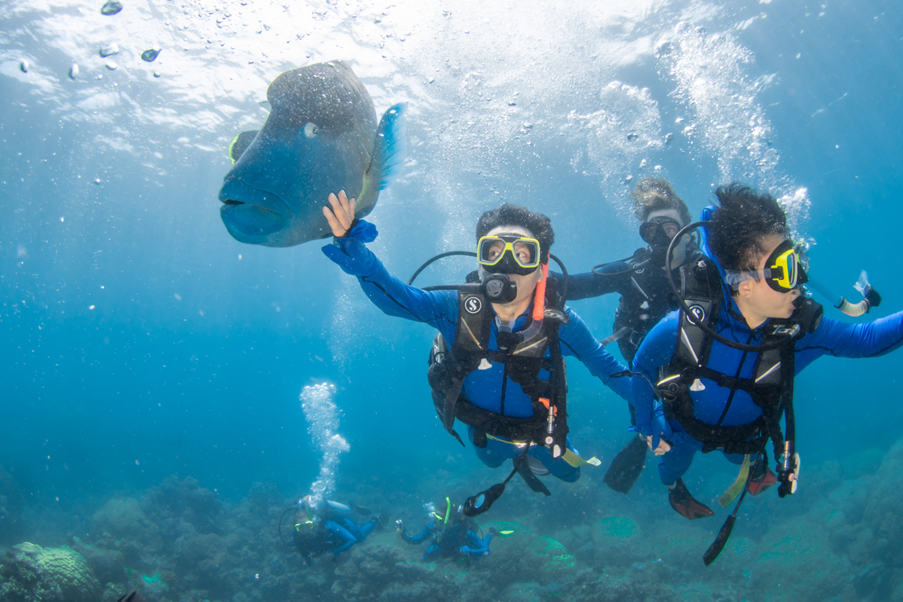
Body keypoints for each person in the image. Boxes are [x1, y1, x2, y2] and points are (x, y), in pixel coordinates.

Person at [321, 191, 631, 510]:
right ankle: (516, 459)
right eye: (493, 252)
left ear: (542, 270)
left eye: (523, 255)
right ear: (480, 264)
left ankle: (531, 458)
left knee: (571, 476)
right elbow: (398, 300)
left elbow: (611, 371)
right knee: (490, 462)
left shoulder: (561, 326)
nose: (506, 265)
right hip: (484, 431)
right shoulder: (456, 309)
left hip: (540, 434)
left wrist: (654, 412)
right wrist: (363, 262)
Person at [631, 183, 903, 520]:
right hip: (686, 429)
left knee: (742, 456)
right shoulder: (687, 325)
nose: (799, 283)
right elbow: (642, 366)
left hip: (747, 435)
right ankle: (675, 490)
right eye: (787, 270)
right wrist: (646, 424)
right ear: (745, 286)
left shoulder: (796, 331)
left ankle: (755, 473)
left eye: (798, 262)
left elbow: (868, 339)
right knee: (673, 464)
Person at [564, 178, 703, 493]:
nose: (661, 237)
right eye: (651, 230)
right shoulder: (632, 271)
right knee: (651, 433)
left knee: (699, 431)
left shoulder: (707, 272)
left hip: (698, 374)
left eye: (670, 228)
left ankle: (677, 475)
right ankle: (667, 476)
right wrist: (519, 271)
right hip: (644, 377)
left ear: (688, 231)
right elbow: (571, 286)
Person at [396, 497, 495, 564]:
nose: (435, 522)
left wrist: (470, 551)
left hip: (463, 549)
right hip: (446, 549)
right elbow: (417, 540)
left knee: (477, 558)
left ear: (450, 521)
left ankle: (490, 534)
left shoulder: (463, 532)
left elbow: (486, 551)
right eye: (435, 517)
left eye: (439, 519)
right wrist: (403, 534)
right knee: (427, 557)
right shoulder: (434, 527)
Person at [292, 495, 381, 560]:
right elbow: (303, 553)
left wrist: (335, 552)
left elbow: (352, 539)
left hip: (347, 526)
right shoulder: (296, 534)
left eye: (308, 525)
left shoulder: (328, 524)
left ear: (314, 522)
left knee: (360, 538)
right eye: (300, 527)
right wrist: (309, 565)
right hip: (335, 540)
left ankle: (374, 520)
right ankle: (350, 507)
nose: (305, 531)